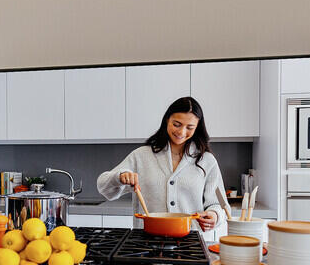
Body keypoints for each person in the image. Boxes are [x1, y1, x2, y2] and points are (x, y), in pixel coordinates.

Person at [97, 97, 227, 231]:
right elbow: (103, 187)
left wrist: (214, 215)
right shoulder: (141, 156)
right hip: (147, 242)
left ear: (197, 128)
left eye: (189, 127)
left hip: (191, 244)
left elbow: (219, 204)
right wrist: (120, 177)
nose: (181, 132)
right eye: (176, 124)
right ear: (167, 120)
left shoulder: (207, 161)